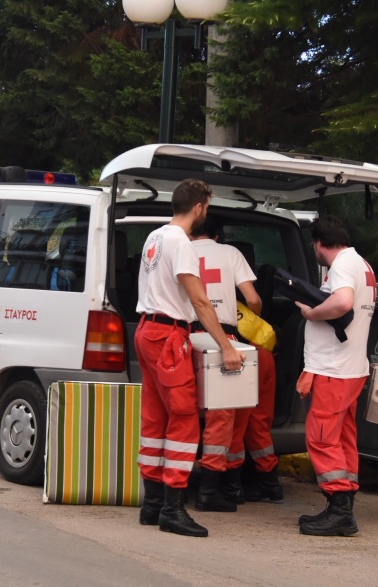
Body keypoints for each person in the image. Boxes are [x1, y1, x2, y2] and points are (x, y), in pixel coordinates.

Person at [135, 179, 245, 538]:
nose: (206, 213)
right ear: (199, 207)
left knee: (155, 417)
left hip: (146, 331)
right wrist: (226, 347)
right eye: (207, 208)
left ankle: (151, 505)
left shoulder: (155, 237)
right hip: (168, 335)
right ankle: (172, 509)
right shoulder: (181, 244)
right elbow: (199, 301)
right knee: (184, 419)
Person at [188, 218, 281, 511]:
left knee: (182, 412)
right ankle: (220, 488)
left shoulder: (181, 252)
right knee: (227, 417)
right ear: (217, 234)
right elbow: (253, 299)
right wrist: (246, 318)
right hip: (224, 340)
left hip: (185, 336)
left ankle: (174, 485)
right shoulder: (231, 253)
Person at [294, 215, 376, 537]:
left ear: (318, 243)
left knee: (322, 436)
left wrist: (312, 313)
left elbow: (342, 302)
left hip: (334, 369)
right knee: (343, 438)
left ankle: (339, 509)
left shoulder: (341, 264)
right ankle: (344, 502)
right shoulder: (363, 264)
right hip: (352, 368)